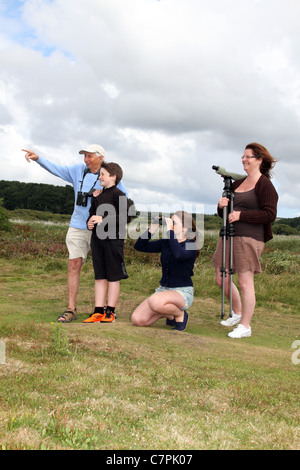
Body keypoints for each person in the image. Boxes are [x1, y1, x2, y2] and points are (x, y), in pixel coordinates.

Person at [22, 145, 128, 323]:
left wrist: (103, 216)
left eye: (89, 156)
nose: (86, 159)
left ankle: (105, 310)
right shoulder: (77, 171)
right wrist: (38, 158)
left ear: (100, 157)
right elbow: (56, 169)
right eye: (84, 156)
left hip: (101, 230)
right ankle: (71, 309)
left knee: (104, 269)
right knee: (73, 265)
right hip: (78, 226)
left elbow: (123, 206)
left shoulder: (110, 175)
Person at [212, 143, 278, 338]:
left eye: (248, 156)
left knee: (245, 281)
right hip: (228, 234)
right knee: (220, 276)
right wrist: (220, 205)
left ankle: (245, 326)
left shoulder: (264, 185)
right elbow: (224, 213)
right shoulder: (237, 184)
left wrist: (241, 216)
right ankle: (238, 312)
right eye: (243, 156)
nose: (244, 160)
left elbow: (269, 214)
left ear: (260, 160)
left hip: (250, 238)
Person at [131, 211, 199, 332]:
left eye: (174, 223)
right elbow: (139, 246)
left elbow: (178, 254)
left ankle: (179, 314)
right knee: (138, 320)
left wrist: (170, 232)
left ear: (184, 228)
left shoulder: (191, 245)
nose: (171, 225)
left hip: (182, 291)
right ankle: (167, 313)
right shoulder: (167, 242)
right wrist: (152, 229)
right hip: (163, 290)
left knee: (155, 301)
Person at [83, 162, 131, 323]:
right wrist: (89, 223)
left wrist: (103, 218)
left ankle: (110, 312)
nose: (100, 177)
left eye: (103, 174)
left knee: (113, 277)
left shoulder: (120, 194)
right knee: (100, 277)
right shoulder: (97, 195)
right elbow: (91, 215)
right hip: (97, 240)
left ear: (113, 177)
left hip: (113, 241)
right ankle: (98, 311)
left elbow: (126, 217)